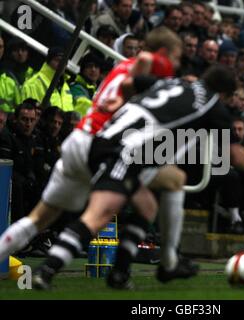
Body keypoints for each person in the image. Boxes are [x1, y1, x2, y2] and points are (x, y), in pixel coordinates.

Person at [30, 65, 244, 290]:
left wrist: (120, 102)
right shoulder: (213, 105)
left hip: (118, 143)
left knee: (148, 205)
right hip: (122, 152)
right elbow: (237, 158)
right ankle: (47, 270)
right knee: (97, 216)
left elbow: (129, 82)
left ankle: (121, 273)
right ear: (226, 95)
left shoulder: (173, 83)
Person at [0, 26, 184, 280]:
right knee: (168, 182)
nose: (175, 63)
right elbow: (141, 70)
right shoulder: (147, 66)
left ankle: (124, 271)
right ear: (163, 53)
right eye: (175, 56)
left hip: (78, 139)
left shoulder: (121, 67)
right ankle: (165, 262)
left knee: (39, 219)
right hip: (98, 146)